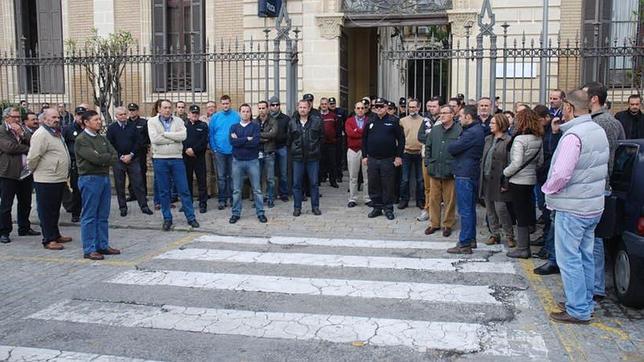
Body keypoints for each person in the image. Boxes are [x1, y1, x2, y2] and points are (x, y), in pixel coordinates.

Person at [542, 89, 609, 324]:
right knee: (585, 256)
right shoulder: (597, 130)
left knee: (569, 259)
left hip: (573, 207)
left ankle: (578, 308)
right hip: (592, 205)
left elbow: (561, 174)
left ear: (569, 108)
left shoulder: (573, 136)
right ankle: (584, 300)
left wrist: (547, 190)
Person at [583, 81, 626, 302]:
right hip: (600, 185)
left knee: (595, 239)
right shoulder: (605, 121)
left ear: (593, 99)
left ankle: (596, 286)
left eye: (583, 95)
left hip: (600, 186)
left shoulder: (604, 123)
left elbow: (607, 156)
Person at [148, 100, 200, 231]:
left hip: (177, 159)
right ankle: (167, 218)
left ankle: (191, 217)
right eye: (164, 108)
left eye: (169, 108)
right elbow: (154, 139)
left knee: (184, 189)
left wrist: (164, 134)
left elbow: (183, 136)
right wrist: (173, 138)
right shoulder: (152, 122)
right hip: (160, 159)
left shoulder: (179, 121)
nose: (167, 110)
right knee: (164, 191)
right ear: (159, 109)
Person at [74, 110, 120, 260]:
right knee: (90, 215)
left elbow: (114, 154)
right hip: (90, 179)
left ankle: (102, 244)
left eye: (99, 119)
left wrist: (104, 158)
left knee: (103, 214)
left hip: (104, 177)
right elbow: (96, 159)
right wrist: (104, 158)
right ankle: (89, 248)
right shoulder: (82, 139)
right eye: (95, 120)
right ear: (86, 122)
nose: (99, 122)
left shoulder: (101, 138)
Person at [26, 108, 72, 250]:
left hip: (58, 178)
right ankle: (49, 239)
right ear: (44, 119)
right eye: (53, 117)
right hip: (46, 178)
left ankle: (55, 234)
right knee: (47, 210)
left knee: (55, 209)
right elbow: (33, 157)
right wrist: (36, 171)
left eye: (57, 117)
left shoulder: (56, 133)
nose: (56, 119)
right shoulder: (41, 134)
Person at [533, 99, 568, 275]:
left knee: (550, 216)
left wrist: (555, 133)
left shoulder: (560, 132)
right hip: (543, 177)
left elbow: (554, 156)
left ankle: (550, 250)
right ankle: (547, 243)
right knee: (546, 213)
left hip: (551, 180)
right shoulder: (542, 132)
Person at [503, 109, 544, 258]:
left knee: (520, 214)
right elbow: (540, 161)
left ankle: (522, 248)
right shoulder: (538, 138)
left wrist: (505, 172)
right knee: (526, 212)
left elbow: (516, 163)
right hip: (531, 178)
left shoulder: (519, 140)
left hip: (518, 180)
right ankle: (525, 246)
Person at [446, 105, 485, 254]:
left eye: (461, 116)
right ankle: (471, 239)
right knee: (469, 209)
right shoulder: (475, 130)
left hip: (465, 173)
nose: (459, 119)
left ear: (468, 117)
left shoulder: (471, 133)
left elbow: (453, 148)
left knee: (465, 210)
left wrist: (454, 143)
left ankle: (464, 243)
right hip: (469, 172)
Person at [0, 107, 40, 244]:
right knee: (6, 204)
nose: (17, 119)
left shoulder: (21, 129)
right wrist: (28, 149)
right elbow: (9, 148)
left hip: (25, 172)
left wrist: (22, 134)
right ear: (6, 118)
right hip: (8, 172)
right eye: (14, 117)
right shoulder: (2, 130)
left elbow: (33, 141)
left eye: (18, 117)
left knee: (25, 202)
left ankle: (24, 227)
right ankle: (4, 231)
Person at [420, 105, 461, 237]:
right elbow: (428, 147)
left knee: (449, 200)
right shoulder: (435, 130)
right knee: (433, 198)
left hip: (450, 171)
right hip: (434, 169)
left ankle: (448, 224)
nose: (442, 115)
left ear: (452, 115)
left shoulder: (459, 130)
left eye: (445, 113)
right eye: (441, 113)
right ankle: (434, 223)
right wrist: (428, 162)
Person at [362, 98, 404, 220]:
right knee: (373, 184)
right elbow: (364, 140)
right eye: (376, 106)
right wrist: (365, 156)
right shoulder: (370, 121)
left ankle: (388, 208)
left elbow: (401, 140)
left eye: (381, 106)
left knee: (388, 184)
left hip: (388, 159)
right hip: (373, 159)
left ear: (386, 107)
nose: (379, 108)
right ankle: (377, 207)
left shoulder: (394, 121)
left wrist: (398, 156)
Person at [107, 107, 153, 217]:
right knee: (120, 184)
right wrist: (120, 156)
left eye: (124, 114)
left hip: (133, 159)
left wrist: (131, 154)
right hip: (118, 160)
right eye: (120, 115)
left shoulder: (133, 127)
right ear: (116, 116)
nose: (123, 116)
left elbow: (138, 142)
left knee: (138, 183)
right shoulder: (112, 128)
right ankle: (122, 207)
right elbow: (109, 144)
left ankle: (144, 206)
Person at [480, 113, 515, 247]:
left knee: (501, 209)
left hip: (499, 180)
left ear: (501, 124)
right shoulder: (488, 139)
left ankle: (509, 235)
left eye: (493, 123)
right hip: (487, 178)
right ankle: (495, 234)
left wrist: (506, 182)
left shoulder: (508, 140)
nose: (490, 125)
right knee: (489, 209)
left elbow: (510, 162)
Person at [229, 104, 267, 224]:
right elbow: (232, 142)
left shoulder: (255, 127)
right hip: (237, 161)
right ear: (239, 113)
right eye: (243, 111)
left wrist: (240, 140)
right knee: (236, 190)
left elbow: (255, 142)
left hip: (252, 161)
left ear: (250, 113)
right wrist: (247, 139)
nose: (245, 113)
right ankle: (235, 213)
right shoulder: (233, 127)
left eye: (247, 111)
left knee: (257, 189)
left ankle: (260, 213)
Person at [288, 99, 323, 216]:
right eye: (300, 107)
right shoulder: (292, 122)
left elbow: (321, 138)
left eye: (305, 107)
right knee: (296, 184)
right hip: (298, 158)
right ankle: (297, 208)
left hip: (312, 158)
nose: (302, 109)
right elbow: (289, 140)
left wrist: (316, 149)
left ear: (309, 109)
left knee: (314, 183)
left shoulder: (317, 121)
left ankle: (315, 207)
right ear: (298, 108)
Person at [209, 95, 239, 210]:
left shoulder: (236, 116)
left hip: (233, 151)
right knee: (221, 177)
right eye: (223, 103)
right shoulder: (215, 117)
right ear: (221, 104)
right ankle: (222, 199)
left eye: (227, 103)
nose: (225, 105)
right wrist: (214, 148)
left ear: (230, 103)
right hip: (219, 152)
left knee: (232, 176)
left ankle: (232, 199)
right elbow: (211, 134)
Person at [416, 97, 441, 222]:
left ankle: (437, 210)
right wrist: (433, 140)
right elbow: (420, 136)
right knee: (427, 186)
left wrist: (431, 138)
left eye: (434, 106)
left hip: (440, 158)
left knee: (439, 186)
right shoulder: (425, 120)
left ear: (440, 107)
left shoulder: (445, 119)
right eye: (429, 106)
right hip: (426, 156)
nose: (431, 108)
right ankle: (427, 208)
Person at [398, 99, 424, 210]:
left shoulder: (424, 121)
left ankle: (420, 200)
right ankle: (404, 200)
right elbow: (399, 138)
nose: (412, 109)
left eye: (414, 107)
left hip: (419, 153)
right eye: (410, 107)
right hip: (406, 153)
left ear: (419, 107)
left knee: (420, 179)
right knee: (405, 179)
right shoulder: (402, 121)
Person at [183, 105, 209, 214]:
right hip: (186, 157)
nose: (194, 115)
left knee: (201, 181)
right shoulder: (183, 126)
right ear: (189, 114)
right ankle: (188, 204)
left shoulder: (203, 126)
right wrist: (186, 150)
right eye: (193, 113)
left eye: (196, 113)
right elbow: (180, 140)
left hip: (199, 157)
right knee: (186, 181)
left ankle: (203, 204)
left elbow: (204, 141)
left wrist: (193, 150)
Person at [62, 106, 86, 223]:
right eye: (79, 115)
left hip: (87, 164)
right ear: (75, 116)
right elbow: (63, 145)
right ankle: (75, 213)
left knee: (87, 189)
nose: (81, 117)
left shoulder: (89, 128)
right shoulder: (68, 129)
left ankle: (87, 211)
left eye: (83, 115)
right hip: (74, 163)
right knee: (76, 189)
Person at [345, 101, 370, 207]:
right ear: (354, 109)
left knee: (367, 177)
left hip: (366, 151)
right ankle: (352, 198)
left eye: (362, 108)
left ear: (365, 109)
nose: (360, 110)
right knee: (353, 176)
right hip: (353, 150)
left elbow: (370, 135)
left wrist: (358, 131)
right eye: (358, 108)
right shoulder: (349, 121)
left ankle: (367, 198)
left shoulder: (369, 120)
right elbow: (350, 133)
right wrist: (362, 132)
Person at [254, 101, 278, 208]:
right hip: (257, 152)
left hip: (269, 152)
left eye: (263, 108)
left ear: (267, 108)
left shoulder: (273, 121)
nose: (261, 110)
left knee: (270, 179)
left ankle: (270, 198)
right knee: (257, 178)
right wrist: (265, 137)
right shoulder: (254, 122)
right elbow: (252, 136)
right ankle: (258, 200)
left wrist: (259, 136)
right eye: (259, 108)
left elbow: (273, 134)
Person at [269, 96, 291, 201]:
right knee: (271, 174)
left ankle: (284, 194)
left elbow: (289, 133)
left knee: (283, 173)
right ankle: (272, 194)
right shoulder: (267, 118)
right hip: (270, 148)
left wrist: (286, 143)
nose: (275, 107)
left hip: (282, 148)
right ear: (269, 106)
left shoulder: (286, 118)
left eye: (277, 104)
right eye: (273, 105)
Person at [127, 103, 150, 199]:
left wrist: (146, 146)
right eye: (130, 110)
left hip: (140, 152)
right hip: (129, 151)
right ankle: (132, 194)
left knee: (141, 172)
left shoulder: (143, 123)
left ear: (137, 111)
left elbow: (148, 137)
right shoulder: (126, 123)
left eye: (133, 110)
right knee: (130, 173)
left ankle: (143, 194)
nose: (132, 112)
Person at [319, 97, 340, 188]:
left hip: (331, 143)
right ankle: (319, 181)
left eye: (325, 104)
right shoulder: (317, 116)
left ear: (328, 105)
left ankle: (333, 181)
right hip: (320, 144)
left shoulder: (333, 116)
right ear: (320, 105)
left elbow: (338, 128)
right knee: (320, 163)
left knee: (332, 163)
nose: (324, 105)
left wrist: (335, 139)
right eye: (322, 104)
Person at [328, 97, 347, 183]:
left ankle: (339, 175)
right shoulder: (326, 112)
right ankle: (328, 175)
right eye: (331, 104)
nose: (332, 105)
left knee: (339, 157)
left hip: (339, 137)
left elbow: (345, 122)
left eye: (333, 104)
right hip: (329, 139)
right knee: (329, 158)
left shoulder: (341, 111)